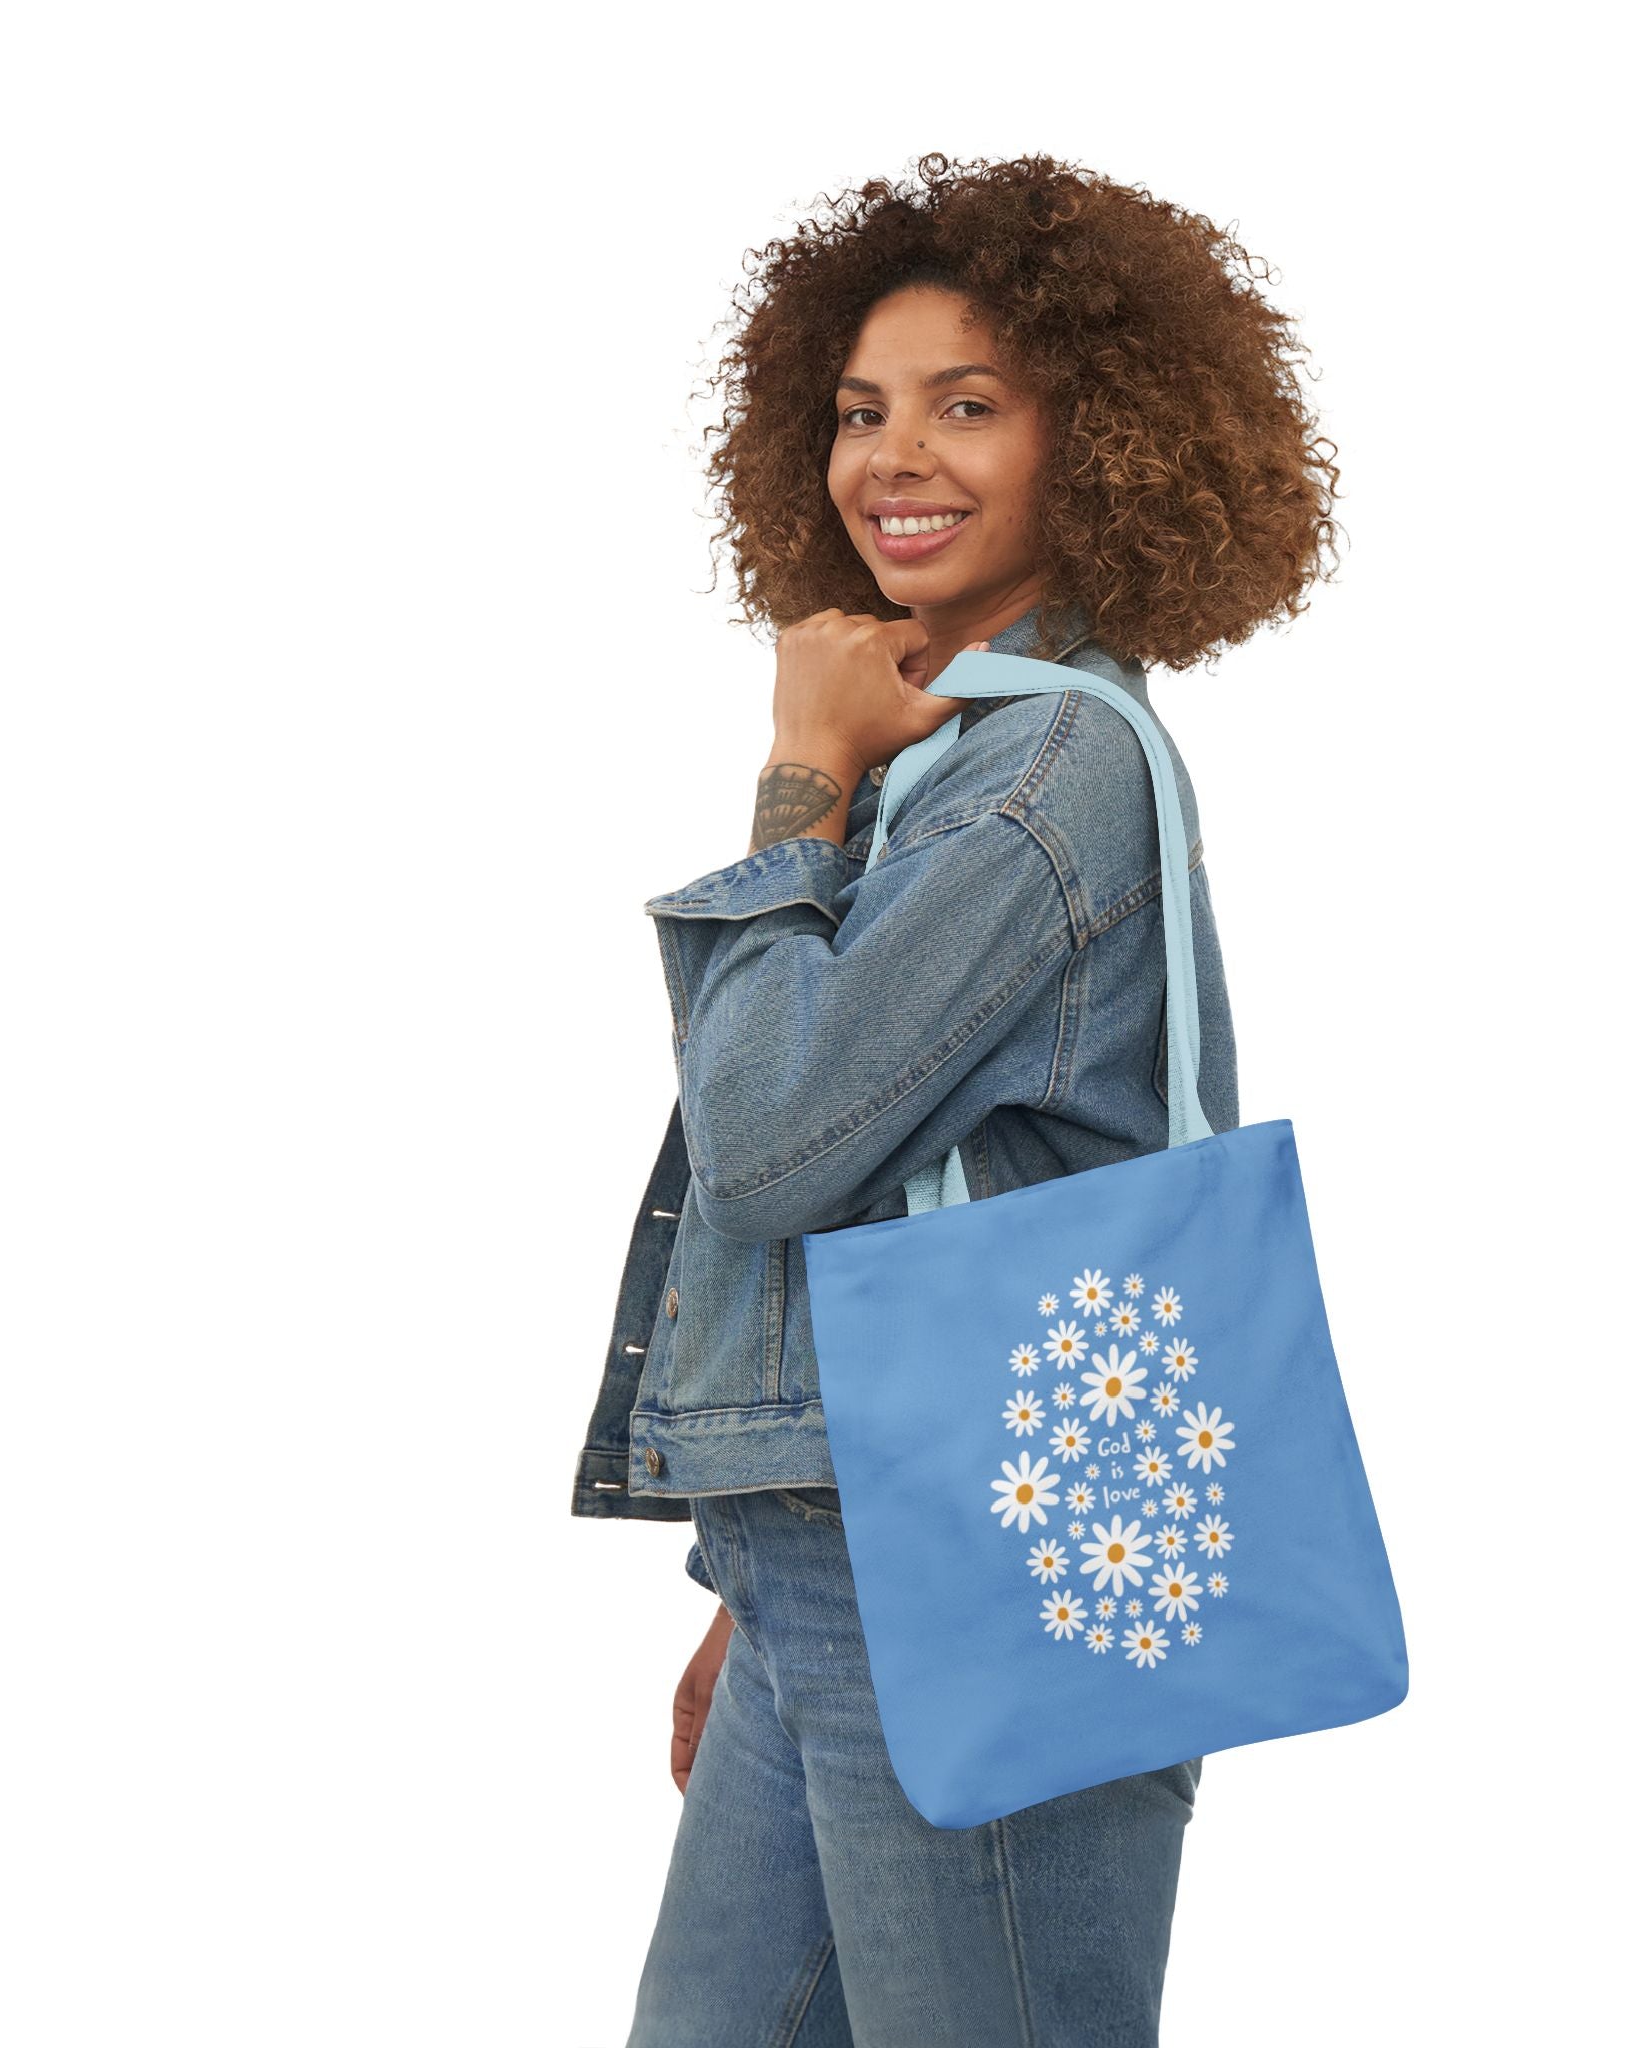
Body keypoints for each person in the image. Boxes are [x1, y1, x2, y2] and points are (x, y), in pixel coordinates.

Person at [570, 151, 1342, 2046]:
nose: (890, 458)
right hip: (844, 1545)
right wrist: (755, 1571)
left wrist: (797, 785)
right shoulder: (964, 753)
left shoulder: (1050, 769)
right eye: (857, 412)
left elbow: (777, 1148)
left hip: (986, 1557)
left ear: (1104, 441)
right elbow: (886, 1212)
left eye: (967, 406)